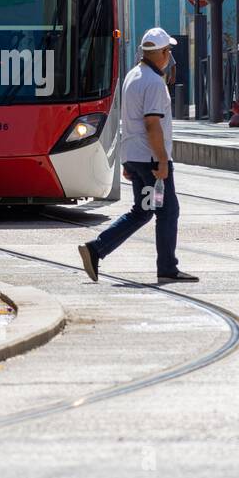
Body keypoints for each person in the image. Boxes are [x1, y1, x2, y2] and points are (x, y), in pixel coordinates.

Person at [78, 27, 198, 285]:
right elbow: (152, 124)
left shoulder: (132, 75)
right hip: (153, 162)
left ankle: (96, 249)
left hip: (136, 158)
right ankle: (167, 267)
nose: (169, 56)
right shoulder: (154, 82)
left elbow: (128, 120)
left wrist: (127, 161)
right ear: (162, 53)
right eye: (168, 51)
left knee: (143, 211)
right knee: (167, 211)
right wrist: (163, 161)